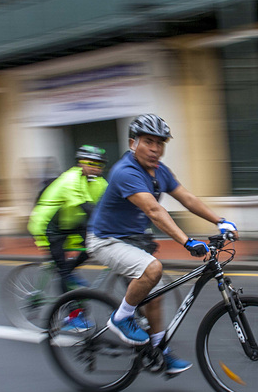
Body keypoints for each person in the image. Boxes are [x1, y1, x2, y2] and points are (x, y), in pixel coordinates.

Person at [85, 114, 238, 375]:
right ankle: (120, 317)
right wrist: (187, 241)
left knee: (154, 293)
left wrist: (220, 221)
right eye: (148, 142)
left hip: (133, 239)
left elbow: (186, 198)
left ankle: (159, 353)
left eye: (160, 143)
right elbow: (154, 210)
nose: (155, 149)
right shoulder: (126, 172)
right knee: (152, 270)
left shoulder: (160, 171)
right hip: (106, 240)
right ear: (133, 143)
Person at [27, 145, 108, 299]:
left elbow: (113, 202)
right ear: (80, 163)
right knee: (63, 271)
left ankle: (69, 273)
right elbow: (88, 209)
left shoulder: (99, 183)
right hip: (50, 225)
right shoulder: (70, 179)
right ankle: (71, 316)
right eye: (91, 163)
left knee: (92, 247)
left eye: (100, 164)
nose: (96, 168)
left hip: (71, 223)